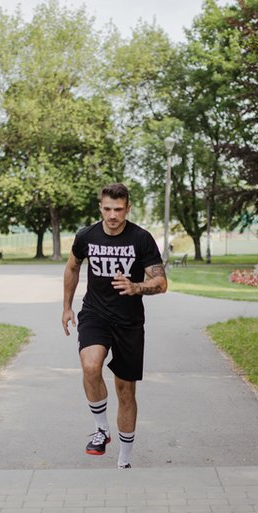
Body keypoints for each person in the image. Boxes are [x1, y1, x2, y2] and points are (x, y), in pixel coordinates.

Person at [62, 182, 167, 469]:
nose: (112, 215)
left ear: (127, 209)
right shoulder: (86, 235)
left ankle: (125, 459)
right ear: (100, 207)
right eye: (107, 209)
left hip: (129, 322)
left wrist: (136, 287)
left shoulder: (140, 239)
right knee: (91, 366)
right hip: (95, 313)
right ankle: (101, 429)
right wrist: (67, 307)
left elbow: (161, 282)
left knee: (125, 390)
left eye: (118, 210)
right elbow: (72, 266)